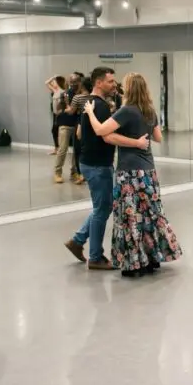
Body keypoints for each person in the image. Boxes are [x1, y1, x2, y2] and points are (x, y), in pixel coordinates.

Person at [85, 72, 182, 277]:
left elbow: (101, 131)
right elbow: (158, 137)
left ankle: (135, 262)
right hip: (148, 171)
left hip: (129, 172)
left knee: (130, 217)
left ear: (129, 89)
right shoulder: (149, 111)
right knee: (149, 214)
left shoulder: (126, 111)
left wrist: (90, 112)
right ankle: (152, 257)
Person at [64, 67, 118, 270]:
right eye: (110, 81)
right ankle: (95, 257)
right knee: (102, 210)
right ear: (98, 82)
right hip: (98, 165)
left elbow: (79, 134)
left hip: (89, 162)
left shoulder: (89, 104)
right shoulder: (101, 106)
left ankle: (77, 241)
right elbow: (106, 135)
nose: (114, 84)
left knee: (102, 207)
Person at [52, 74, 80, 185]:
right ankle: (57, 172)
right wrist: (66, 110)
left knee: (76, 151)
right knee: (62, 149)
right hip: (65, 124)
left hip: (76, 125)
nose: (73, 84)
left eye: (75, 82)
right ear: (68, 82)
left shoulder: (81, 95)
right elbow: (57, 110)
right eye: (71, 82)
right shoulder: (64, 94)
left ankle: (74, 173)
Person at [46, 75, 67, 153]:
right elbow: (46, 83)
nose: (53, 83)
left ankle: (60, 149)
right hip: (55, 114)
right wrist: (53, 77)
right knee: (54, 130)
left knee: (59, 131)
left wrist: (61, 111)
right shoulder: (55, 91)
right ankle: (57, 148)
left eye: (54, 81)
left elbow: (64, 104)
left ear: (58, 82)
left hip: (60, 114)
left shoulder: (63, 92)